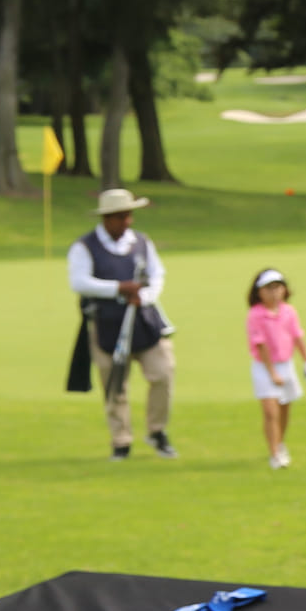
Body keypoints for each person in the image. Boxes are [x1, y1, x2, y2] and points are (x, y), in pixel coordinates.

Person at [68, 187, 176, 460]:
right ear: (107, 218)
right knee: (115, 385)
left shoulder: (141, 242)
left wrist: (145, 296)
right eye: (121, 216)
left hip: (144, 320)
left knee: (163, 373)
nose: (127, 221)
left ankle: (156, 431)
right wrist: (119, 288)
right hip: (106, 324)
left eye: (128, 215)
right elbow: (79, 282)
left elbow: (157, 274)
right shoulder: (85, 246)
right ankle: (121, 441)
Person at [245, 268, 306, 469]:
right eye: (268, 288)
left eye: (277, 287)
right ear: (259, 292)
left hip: (286, 364)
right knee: (270, 412)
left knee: (284, 409)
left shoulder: (288, 311)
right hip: (264, 367)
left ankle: (280, 443)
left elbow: (297, 336)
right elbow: (261, 345)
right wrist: (272, 373)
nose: (274, 292)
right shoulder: (256, 314)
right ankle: (274, 453)